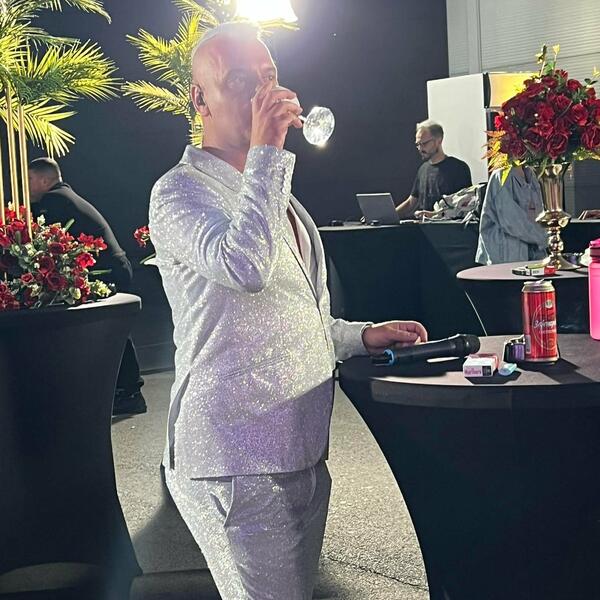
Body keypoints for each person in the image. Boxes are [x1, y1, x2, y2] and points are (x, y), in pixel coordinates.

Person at [149, 22, 428, 600]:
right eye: (240, 81)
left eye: (269, 76)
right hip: (234, 457)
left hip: (300, 449)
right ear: (199, 98)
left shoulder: (277, 195)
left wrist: (360, 336)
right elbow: (245, 267)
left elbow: (292, 317)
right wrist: (268, 153)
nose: (262, 93)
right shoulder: (178, 192)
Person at [28, 157, 147, 415]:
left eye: (30, 179)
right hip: (113, 267)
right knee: (111, 331)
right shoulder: (65, 197)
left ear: (45, 180)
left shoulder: (55, 201)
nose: (26, 186)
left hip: (106, 271)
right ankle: (126, 391)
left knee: (110, 331)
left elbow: (36, 235)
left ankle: (128, 392)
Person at [395, 119, 472, 219]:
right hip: (424, 227)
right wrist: (388, 216)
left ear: (439, 141)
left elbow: (465, 205)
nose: (420, 148)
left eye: (424, 143)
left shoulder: (459, 168)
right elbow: (411, 202)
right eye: (418, 144)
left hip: (448, 228)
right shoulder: (422, 169)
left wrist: (434, 214)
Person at [476, 166, 548, 264]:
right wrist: (543, 238)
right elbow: (511, 220)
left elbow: (538, 212)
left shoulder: (531, 174)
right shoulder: (501, 175)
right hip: (506, 255)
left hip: (533, 253)